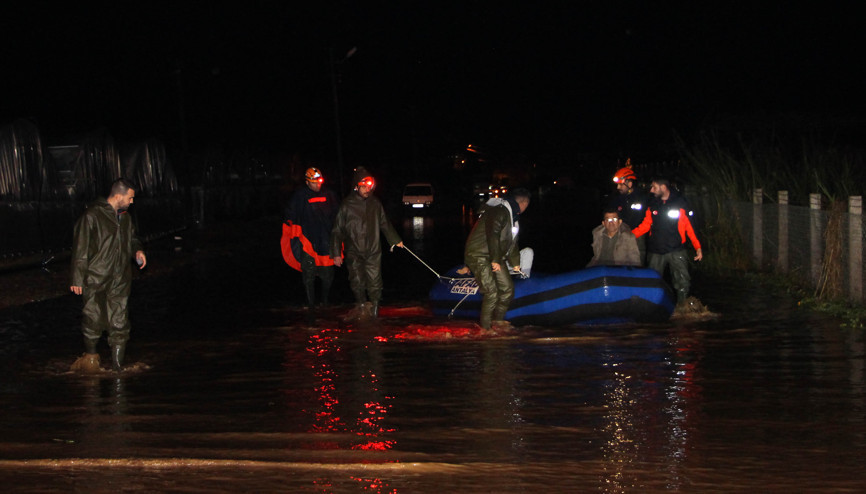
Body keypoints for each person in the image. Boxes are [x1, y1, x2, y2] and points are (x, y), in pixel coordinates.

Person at [69, 178, 146, 372]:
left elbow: (133, 238)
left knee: (120, 321)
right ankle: (91, 358)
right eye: (130, 198)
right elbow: (81, 248)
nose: (131, 202)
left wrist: (138, 250)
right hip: (96, 276)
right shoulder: (92, 216)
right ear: (118, 196)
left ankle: (118, 368)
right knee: (93, 318)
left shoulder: (126, 217)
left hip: (120, 277)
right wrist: (77, 278)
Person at [330, 166, 404, 317]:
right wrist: (336, 253)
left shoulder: (375, 204)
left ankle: (375, 308)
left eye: (369, 186)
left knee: (375, 281)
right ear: (356, 186)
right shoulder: (346, 205)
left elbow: (384, 223)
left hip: (373, 249)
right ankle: (362, 304)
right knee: (356, 280)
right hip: (353, 250)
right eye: (364, 186)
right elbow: (337, 231)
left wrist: (395, 240)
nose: (367, 189)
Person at [463, 187, 531, 329]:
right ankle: (485, 330)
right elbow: (492, 235)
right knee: (491, 292)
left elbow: (512, 242)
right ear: (524, 203)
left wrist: (515, 263)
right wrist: (495, 259)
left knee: (507, 289)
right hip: (479, 255)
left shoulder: (514, 217)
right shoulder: (499, 211)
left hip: (495, 255)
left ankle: (497, 322)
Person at [632, 177, 703, 305]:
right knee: (652, 281)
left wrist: (697, 247)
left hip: (676, 249)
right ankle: (652, 306)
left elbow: (689, 227)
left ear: (663, 187)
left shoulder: (680, 203)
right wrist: (629, 235)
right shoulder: (652, 203)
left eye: (654, 187)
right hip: (655, 250)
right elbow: (646, 225)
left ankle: (682, 306)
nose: (652, 190)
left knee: (682, 281)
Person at [281, 167, 339, 315]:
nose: (317, 185)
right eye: (314, 183)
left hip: (326, 240)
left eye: (319, 182)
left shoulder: (329, 194)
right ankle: (311, 304)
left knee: (328, 275)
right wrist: (291, 226)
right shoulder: (300, 196)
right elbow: (290, 213)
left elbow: (338, 215)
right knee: (309, 273)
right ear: (307, 182)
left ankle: (324, 301)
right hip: (307, 241)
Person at [608, 165, 649, 264]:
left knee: (637, 265)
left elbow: (645, 220)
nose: (618, 187)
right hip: (620, 236)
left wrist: (633, 234)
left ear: (629, 184)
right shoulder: (618, 199)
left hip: (637, 238)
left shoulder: (642, 199)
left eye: (621, 185)